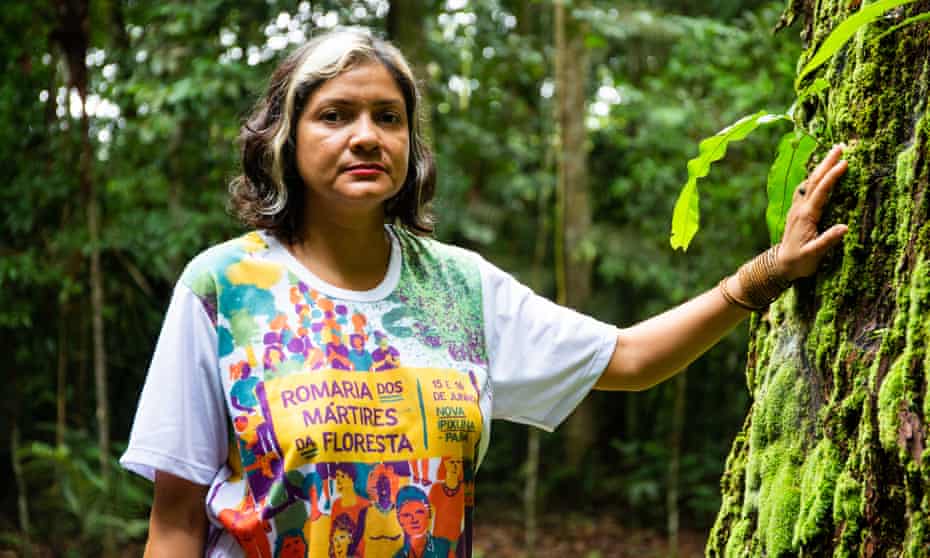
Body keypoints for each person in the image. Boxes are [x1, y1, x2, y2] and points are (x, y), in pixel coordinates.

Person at [120, 27, 849, 557]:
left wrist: (766, 274)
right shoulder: (225, 287)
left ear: (410, 144)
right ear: (285, 136)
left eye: (389, 117)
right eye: (335, 114)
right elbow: (177, 522)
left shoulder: (458, 287)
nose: (367, 136)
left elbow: (626, 358)